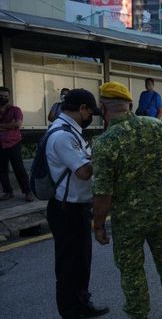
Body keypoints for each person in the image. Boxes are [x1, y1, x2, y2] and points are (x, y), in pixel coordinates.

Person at [92, 82, 162, 319]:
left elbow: (102, 193)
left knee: (131, 271)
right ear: (129, 104)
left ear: (103, 108)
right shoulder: (156, 127)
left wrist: (98, 226)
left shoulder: (104, 143)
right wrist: (157, 186)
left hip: (128, 222)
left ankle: (139, 314)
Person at [44, 88, 109, 319]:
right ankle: (71, 312)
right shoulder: (62, 135)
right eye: (90, 112)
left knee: (81, 263)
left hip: (78, 209)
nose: (91, 117)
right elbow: (83, 171)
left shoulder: (74, 132)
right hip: (66, 211)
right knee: (69, 267)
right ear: (82, 109)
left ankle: (82, 304)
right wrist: (105, 155)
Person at [0, 87, 33, 202]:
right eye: (1, 96)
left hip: (13, 143)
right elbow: (12, 125)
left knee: (19, 168)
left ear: (9, 97)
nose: (3, 98)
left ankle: (27, 192)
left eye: (6, 96)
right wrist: (9, 124)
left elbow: (17, 124)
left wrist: (2, 126)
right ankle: (8, 192)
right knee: (2, 169)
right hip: (0, 144)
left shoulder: (15, 110)